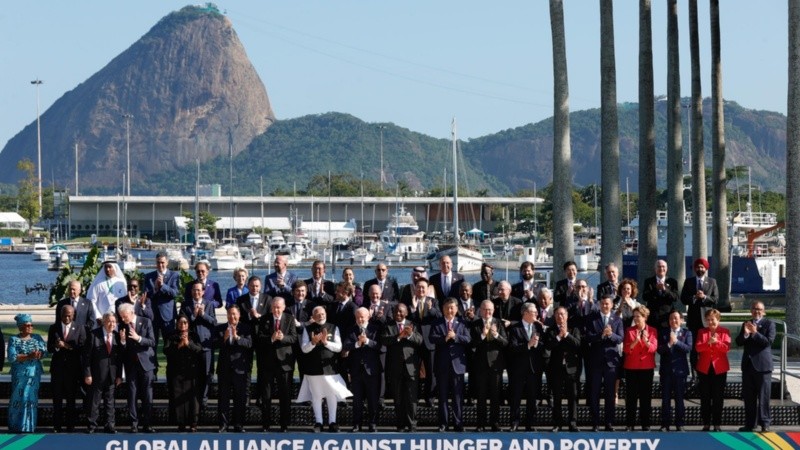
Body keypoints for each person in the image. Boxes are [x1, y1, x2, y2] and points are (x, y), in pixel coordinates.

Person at [297, 306, 353, 432]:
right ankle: (319, 423)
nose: (320, 316)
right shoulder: (308, 329)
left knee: (331, 395)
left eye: (322, 313)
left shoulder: (334, 327)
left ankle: (332, 422)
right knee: (316, 396)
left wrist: (326, 342)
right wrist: (313, 343)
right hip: (313, 368)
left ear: (326, 314)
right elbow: (304, 349)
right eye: (317, 314)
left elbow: (339, 347)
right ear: (313, 316)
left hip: (330, 368)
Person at [255, 296, 297, 432]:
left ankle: (284, 425)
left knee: (285, 396)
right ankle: (266, 425)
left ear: (284, 307)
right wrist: (271, 339)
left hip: (284, 364)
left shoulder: (289, 319)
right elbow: (259, 338)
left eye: (279, 307)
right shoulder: (264, 319)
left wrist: (283, 338)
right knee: (266, 396)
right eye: (274, 307)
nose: (276, 310)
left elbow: (294, 338)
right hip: (267, 364)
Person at [380, 303, 423, 432]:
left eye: (400, 312)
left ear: (406, 313)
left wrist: (409, 335)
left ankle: (412, 425)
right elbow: (384, 340)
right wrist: (399, 337)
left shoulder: (413, 325)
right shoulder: (389, 326)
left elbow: (420, 341)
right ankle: (400, 425)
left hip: (411, 368)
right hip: (395, 367)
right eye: (395, 312)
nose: (397, 314)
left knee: (411, 398)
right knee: (398, 398)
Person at [430, 298, 471, 432]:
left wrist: (455, 336)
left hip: (457, 366)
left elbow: (468, 339)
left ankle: (458, 424)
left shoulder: (462, 323)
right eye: (447, 308)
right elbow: (431, 338)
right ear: (443, 309)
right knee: (442, 396)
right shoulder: (437, 323)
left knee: (458, 397)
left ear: (456, 309)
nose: (450, 311)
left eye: (452, 308)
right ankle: (443, 424)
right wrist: (444, 339)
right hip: (442, 365)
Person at [585, 294, 624, 432]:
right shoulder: (591, 318)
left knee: (610, 394)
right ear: (599, 304)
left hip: (611, 364)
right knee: (594, 393)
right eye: (602, 303)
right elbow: (588, 337)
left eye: (607, 304)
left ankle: (609, 423)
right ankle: (595, 423)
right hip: (595, 362)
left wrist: (610, 335)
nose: (605, 306)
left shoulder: (617, 319)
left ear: (612, 305)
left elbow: (620, 338)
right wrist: (601, 335)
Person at [736, 301, 775, 432]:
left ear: (763, 311)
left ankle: (765, 424)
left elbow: (768, 342)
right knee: (749, 397)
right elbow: (739, 341)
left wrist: (755, 333)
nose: (756, 311)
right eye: (754, 309)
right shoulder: (746, 323)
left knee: (764, 396)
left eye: (759, 309)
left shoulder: (769, 324)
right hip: (748, 366)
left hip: (763, 366)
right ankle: (750, 424)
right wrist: (746, 333)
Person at [118, 303, 157, 433]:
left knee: (147, 395)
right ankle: (134, 424)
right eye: (121, 317)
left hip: (146, 365)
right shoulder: (122, 326)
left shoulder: (146, 322)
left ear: (131, 312)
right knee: (132, 395)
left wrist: (138, 338)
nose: (123, 319)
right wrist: (123, 341)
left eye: (124, 316)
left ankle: (147, 424)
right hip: (131, 365)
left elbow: (152, 342)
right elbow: (121, 350)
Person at [343, 307, 383, 432]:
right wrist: (357, 344)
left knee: (372, 399)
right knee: (357, 400)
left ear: (368, 317)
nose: (360, 319)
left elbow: (380, 346)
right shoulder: (351, 330)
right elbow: (346, 345)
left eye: (362, 317)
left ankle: (372, 423)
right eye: (358, 317)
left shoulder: (375, 329)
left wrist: (367, 341)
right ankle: (357, 424)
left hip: (371, 370)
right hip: (356, 371)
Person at [47, 305, 87, 433]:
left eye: (69, 315)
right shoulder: (54, 328)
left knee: (71, 400)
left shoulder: (80, 328)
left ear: (73, 315)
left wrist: (67, 346)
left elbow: (82, 348)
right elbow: (49, 348)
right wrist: (57, 346)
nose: (67, 317)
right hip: (58, 369)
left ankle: (70, 426)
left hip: (73, 370)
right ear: (60, 315)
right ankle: (57, 426)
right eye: (64, 315)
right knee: (57, 399)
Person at [180, 279, 218, 411]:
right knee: (192, 374)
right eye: (194, 290)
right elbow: (181, 324)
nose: (196, 292)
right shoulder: (186, 305)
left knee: (207, 373)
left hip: (206, 345)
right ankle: (193, 399)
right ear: (191, 292)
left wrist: (203, 314)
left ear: (203, 292)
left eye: (198, 290)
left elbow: (214, 322)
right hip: (191, 345)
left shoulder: (209, 305)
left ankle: (204, 400)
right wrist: (194, 315)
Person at [506, 302, 544, 432]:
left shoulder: (538, 327)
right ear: (525, 313)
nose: (536, 314)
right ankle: (514, 422)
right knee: (516, 396)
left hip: (534, 368)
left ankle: (530, 423)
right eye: (534, 312)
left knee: (532, 397)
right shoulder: (515, 328)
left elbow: (543, 346)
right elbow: (511, 348)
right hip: (518, 368)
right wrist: (528, 345)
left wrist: (537, 344)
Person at [83, 312, 123, 434]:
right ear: (104, 322)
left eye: (114, 322)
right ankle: (92, 425)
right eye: (109, 321)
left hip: (112, 375)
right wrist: (87, 374)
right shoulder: (94, 335)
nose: (112, 324)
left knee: (110, 402)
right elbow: (86, 357)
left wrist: (119, 375)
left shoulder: (117, 336)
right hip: (96, 375)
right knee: (94, 402)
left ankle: (109, 425)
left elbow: (120, 358)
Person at [7, 313, 47, 433]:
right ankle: (16, 426)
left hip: (34, 374)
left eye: (31, 325)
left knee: (31, 399)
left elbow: (44, 352)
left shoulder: (37, 338)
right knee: (18, 398)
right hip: (19, 375)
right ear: (20, 327)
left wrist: (39, 354)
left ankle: (29, 426)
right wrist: (29, 356)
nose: (30, 327)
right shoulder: (14, 339)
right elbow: (12, 357)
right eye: (27, 325)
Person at [163, 314, 203, 432]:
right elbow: (166, 351)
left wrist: (188, 343)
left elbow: (199, 349)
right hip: (176, 372)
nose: (183, 325)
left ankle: (193, 423)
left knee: (192, 399)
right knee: (177, 397)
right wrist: (179, 345)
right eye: (180, 322)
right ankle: (180, 423)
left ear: (188, 324)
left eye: (185, 322)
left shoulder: (194, 335)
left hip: (191, 372)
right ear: (177, 323)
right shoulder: (171, 336)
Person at [544, 306, 581, 432]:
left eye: (562, 314)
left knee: (573, 397)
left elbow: (577, 345)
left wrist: (567, 335)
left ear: (567, 315)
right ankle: (558, 423)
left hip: (571, 368)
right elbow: (548, 346)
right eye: (557, 314)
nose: (560, 317)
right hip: (556, 369)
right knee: (557, 397)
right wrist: (559, 337)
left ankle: (573, 422)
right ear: (554, 317)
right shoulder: (551, 331)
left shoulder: (574, 329)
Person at [216, 306, 253, 433]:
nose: (232, 317)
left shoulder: (245, 328)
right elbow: (214, 344)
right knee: (223, 399)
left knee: (240, 399)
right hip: (224, 369)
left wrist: (237, 338)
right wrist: (224, 338)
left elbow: (249, 344)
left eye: (235, 314)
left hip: (240, 369)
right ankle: (223, 425)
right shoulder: (220, 328)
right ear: (227, 315)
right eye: (230, 314)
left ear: (239, 315)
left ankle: (239, 425)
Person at [407, 277, 441, 408]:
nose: (421, 289)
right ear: (415, 289)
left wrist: (431, 309)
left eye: (423, 288)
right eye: (418, 287)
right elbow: (408, 321)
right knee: (413, 372)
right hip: (414, 343)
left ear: (427, 290)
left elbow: (439, 317)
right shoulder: (411, 302)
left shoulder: (434, 301)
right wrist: (414, 310)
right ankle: (413, 397)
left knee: (431, 372)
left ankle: (430, 398)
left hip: (429, 343)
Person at [623, 305, 658, 431]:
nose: (636, 319)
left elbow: (654, 348)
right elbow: (626, 349)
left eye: (638, 316)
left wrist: (646, 341)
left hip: (646, 367)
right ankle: (630, 424)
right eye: (635, 316)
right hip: (631, 367)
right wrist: (635, 342)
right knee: (631, 397)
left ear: (645, 317)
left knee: (645, 397)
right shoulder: (629, 331)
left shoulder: (653, 330)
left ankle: (645, 424)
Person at [681, 258, 719, 375]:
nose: (700, 269)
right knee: (694, 350)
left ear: (706, 269)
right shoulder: (689, 281)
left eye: (702, 267)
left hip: (707, 322)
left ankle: (706, 373)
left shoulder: (712, 281)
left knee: (706, 348)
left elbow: (716, 299)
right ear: (694, 268)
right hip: (693, 321)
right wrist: (694, 298)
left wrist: (704, 297)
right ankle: (694, 374)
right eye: (697, 267)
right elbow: (683, 299)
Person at [696, 308, 731, 432]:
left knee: (718, 397)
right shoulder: (702, 331)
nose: (710, 322)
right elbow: (698, 348)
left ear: (718, 320)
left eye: (713, 319)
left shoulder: (725, 332)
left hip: (719, 369)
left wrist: (717, 342)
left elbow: (726, 348)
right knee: (705, 397)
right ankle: (706, 423)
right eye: (708, 320)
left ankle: (717, 423)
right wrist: (708, 343)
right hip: (704, 369)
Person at [657, 309, 692, 432]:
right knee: (665, 400)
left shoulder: (687, 333)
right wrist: (669, 344)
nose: (673, 320)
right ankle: (665, 424)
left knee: (679, 399)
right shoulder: (663, 333)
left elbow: (688, 348)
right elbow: (659, 350)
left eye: (676, 318)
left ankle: (679, 423)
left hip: (680, 372)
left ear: (681, 320)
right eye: (671, 318)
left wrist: (676, 342)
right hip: (666, 372)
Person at [144, 251, 181, 345]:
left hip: (167, 316)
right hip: (153, 316)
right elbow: (146, 296)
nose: (160, 265)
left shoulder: (174, 275)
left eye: (162, 262)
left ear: (167, 262)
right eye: (158, 262)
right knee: (152, 344)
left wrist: (163, 286)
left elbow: (175, 293)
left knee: (170, 345)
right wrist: (155, 288)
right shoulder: (149, 277)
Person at [642, 260, 679, 329]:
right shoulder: (648, 281)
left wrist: (665, 290)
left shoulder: (672, 281)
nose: (661, 269)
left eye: (663, 267)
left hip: (667, 318)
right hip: (652, 318)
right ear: (655, 268)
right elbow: (645, 297)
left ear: (667, 268)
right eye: (659, 267)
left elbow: (675, 297)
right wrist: (656, 289)